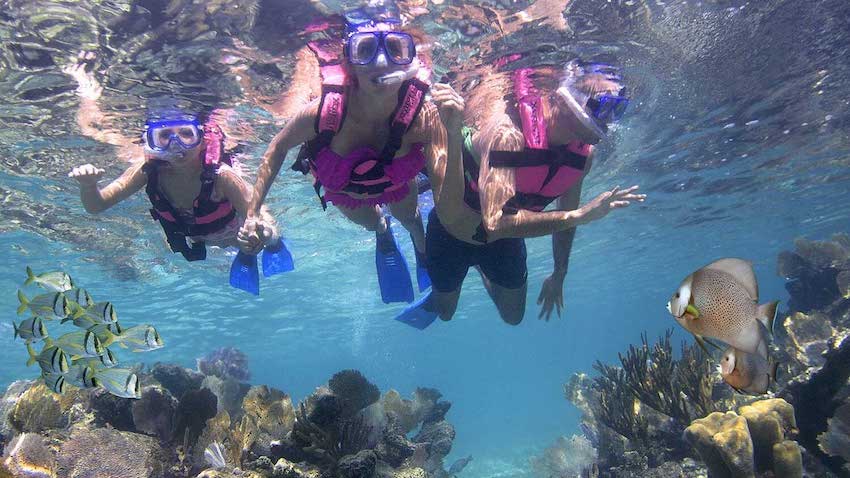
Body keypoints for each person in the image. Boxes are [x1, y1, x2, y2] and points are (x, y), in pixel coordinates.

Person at [394, 60, 646, 329]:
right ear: (567, 98)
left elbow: (563, 219)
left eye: (617, 111)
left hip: (506, 238)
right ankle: (416, 234)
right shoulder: (507, 133)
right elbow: (497, 222)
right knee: (446, 313)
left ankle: (478, 268)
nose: (607, 118)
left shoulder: (583, 156)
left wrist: (559, 273)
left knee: (513, 317)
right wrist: (579, 216)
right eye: (602, 105)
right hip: (452, 232)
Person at [238, 2, 447, 304]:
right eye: (365, 50)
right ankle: (383, 233)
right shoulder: (322, 114)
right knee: (374, 223)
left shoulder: (420, 116)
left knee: (413, 220)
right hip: (348, 193)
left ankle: (422, 251)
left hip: (398, 186)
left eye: (394, 48)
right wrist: (253, 211)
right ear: (349, 63)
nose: (380, 61)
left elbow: (444, 164)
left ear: (408, 60)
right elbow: (277, 149)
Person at [64, 57, 290, 294]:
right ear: (151, 142)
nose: (176, 145)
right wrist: (89, 186)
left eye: (186, 134)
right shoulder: (147, 171)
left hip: (233, 236)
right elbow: (96, 206)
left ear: (201, 140)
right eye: (164, 137)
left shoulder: (221, 177)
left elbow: (259, 211)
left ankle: (270, 244)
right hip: (195, 238)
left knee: (261, 240)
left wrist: (264, 232)